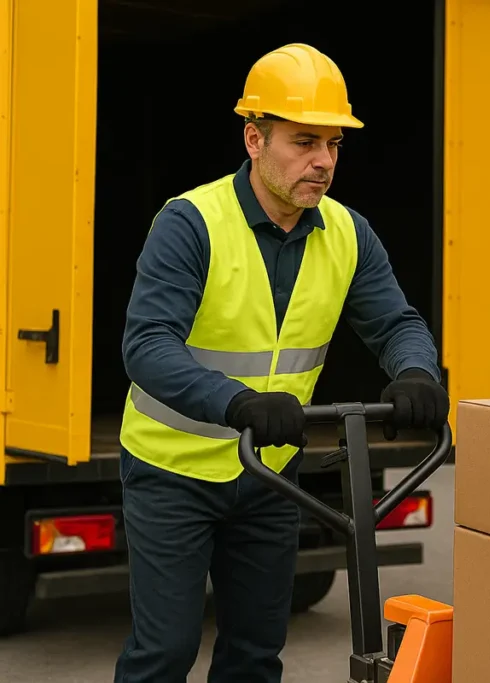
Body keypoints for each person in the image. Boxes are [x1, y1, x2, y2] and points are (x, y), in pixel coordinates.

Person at [113, 43, 449, 682]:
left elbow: (397, 324)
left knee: (255, 655)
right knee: (165, 653)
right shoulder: (191, 223)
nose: (324, 161)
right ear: (254, 139)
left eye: (334, 144)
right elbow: (148, 345)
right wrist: (236, 402)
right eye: (304, 141)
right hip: (172, 471)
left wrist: (415, 372)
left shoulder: (348, 232)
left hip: (269, 474)